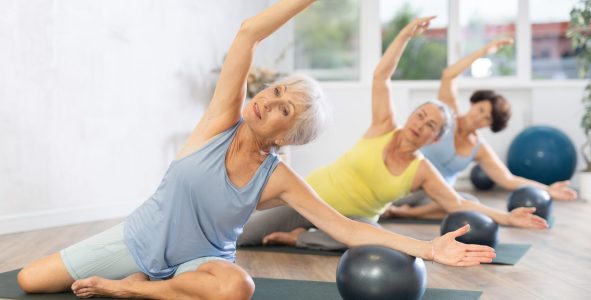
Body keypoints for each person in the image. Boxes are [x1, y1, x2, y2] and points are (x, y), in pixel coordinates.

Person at [16, 3, 496, 299]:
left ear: (287, 136)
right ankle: (143, 284)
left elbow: (346, 227)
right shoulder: (219, 122)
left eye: (283, 108)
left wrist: (428, 249)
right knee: (29, 281)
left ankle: (135, 290)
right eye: (275, 91)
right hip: (137, 239)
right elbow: (248, 33)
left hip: (199, 263)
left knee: (236, 287)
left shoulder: (278, 175)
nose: (267, 100)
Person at [237, 17, 547, 253]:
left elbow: (456, 203)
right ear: (411, 114)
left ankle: (301, 239)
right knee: (243, 237)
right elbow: (381, 76)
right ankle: (301, 231)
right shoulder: (384, 126)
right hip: (310, 200)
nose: (420, 124)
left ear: (435, 138)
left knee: (377, 239)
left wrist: (508, 218)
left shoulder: (423, 171)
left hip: (355, 222)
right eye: (420, 115)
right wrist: (403, 36)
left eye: (430, 125)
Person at [384, 38, 577, 220]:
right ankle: (396, 208)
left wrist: (548, 190)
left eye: (487, 118)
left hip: (437, 196)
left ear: (489, 125)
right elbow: (448, 75)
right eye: (481, 109)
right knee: (387, 196)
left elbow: (508, 179)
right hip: (411, 181)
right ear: (474, 102)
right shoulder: (448, 115)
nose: (480, 117)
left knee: (471, 202)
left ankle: (407, 213)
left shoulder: (479, 148)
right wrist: (484, 51)